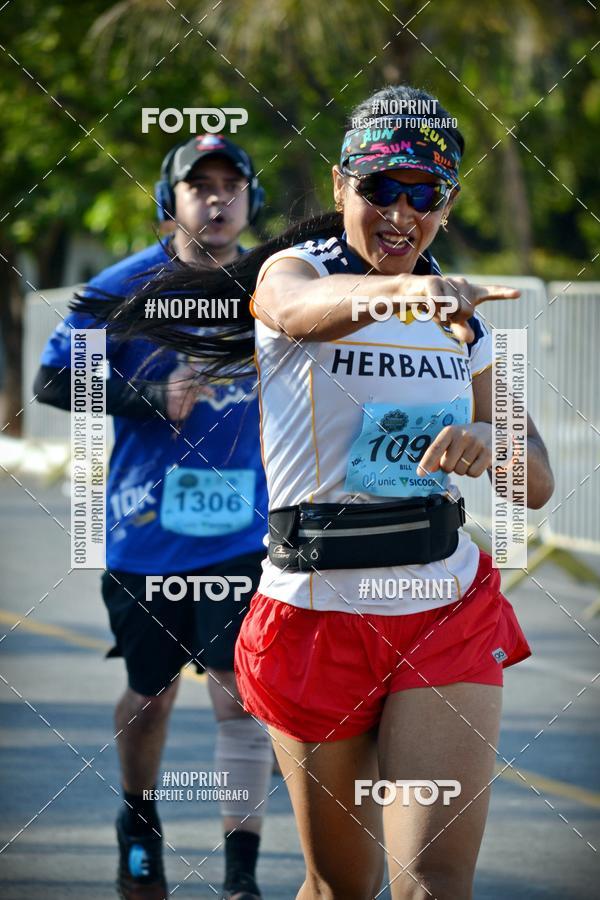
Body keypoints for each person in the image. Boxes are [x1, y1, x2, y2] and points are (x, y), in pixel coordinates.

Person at [73, 85, 555, 900]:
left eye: (423, 194)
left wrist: (492, 444)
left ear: (448, 203)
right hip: (315, 612)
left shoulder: (464, 318)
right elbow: (297, 312)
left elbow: (535, 479)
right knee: (343, 885)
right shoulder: (294, 273)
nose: (401, 212)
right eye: (381, 189)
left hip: (442, 605)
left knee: (434, 882)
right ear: (341, 187)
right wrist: (403, 295)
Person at [34, 134, 272, 900]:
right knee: (150, 694)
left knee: (241, 694)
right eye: (198, 184)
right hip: (145, 535)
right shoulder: (121, 288)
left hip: (245, 532)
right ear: (169, 200)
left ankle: (242, 876)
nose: (216, 198)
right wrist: (145, 400)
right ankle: (138, 825)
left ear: (250, 200)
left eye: (230, 185)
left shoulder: (274, 286)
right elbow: (50, 382)